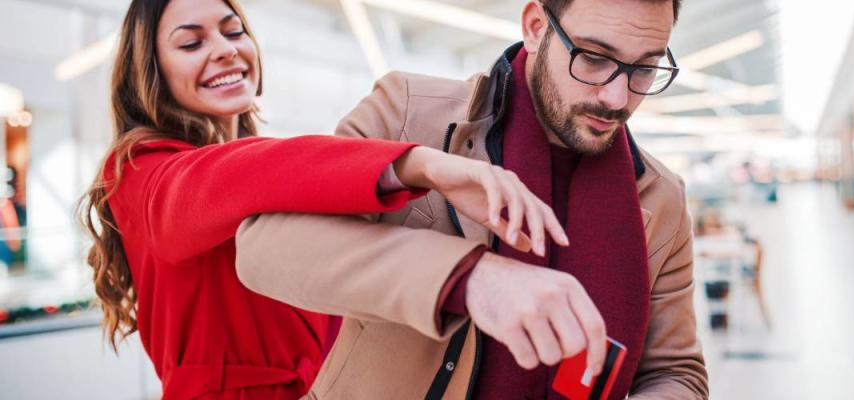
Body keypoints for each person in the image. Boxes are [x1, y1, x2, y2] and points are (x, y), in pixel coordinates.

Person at [78, 0, 567, 398]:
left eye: (234, 31)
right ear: (151, 68)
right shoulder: (139, 170)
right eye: (191, 42)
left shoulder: (265, 175)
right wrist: (420, 164)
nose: (226, 50)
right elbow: (221, 179)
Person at [237, 0, 708, 398]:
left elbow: (676, 373)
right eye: (592, 58)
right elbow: (264, 248)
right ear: (536, 27)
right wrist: (469, 278)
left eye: (645, 68)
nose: (616, 96)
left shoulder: (660, 197)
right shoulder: (408, 113)